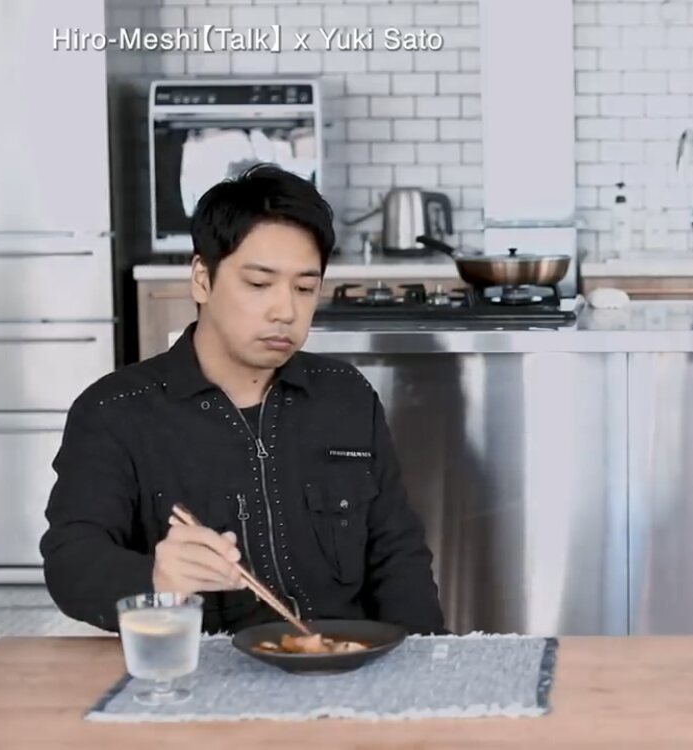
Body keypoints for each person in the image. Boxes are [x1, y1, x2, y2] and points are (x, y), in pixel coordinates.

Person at [41, 164, 446, 635]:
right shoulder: (115, 410)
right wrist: (156, 579)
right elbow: (71, 559)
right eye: (258, 284)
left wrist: (428, 657)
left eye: (304, 288)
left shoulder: (346, 395)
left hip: (342, 662)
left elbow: (397, 553)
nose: (285, 311)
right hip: (200, 667)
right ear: (202, 279)